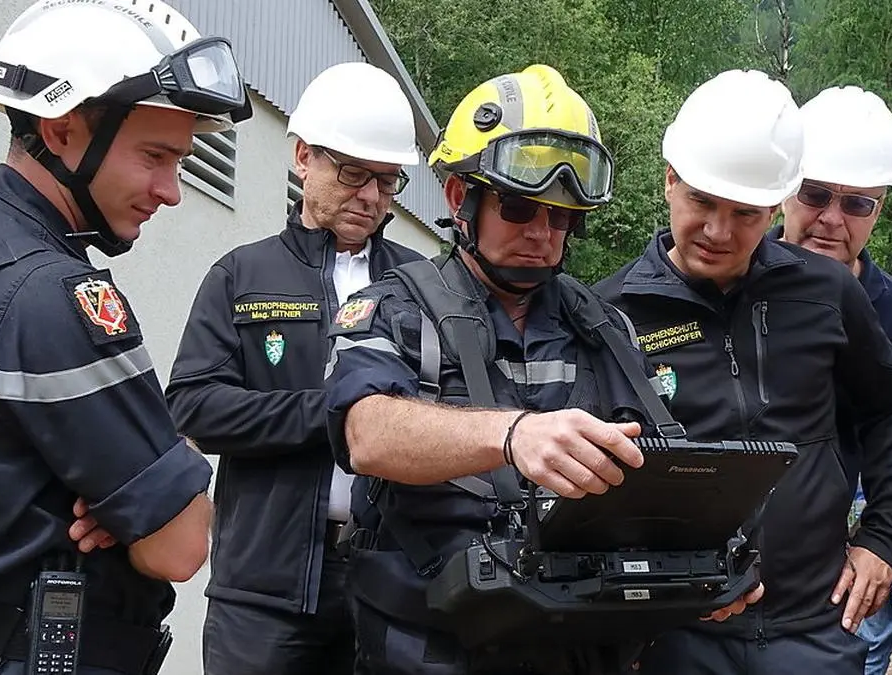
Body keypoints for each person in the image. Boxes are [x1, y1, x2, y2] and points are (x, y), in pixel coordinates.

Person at [322, 64, 762, 675]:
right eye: (520, 207)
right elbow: (365, 434)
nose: (542, 233)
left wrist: (705, 564)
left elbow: (651, 469)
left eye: (561, 217)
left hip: (577, 646)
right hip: (429, 646)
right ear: (459, 197)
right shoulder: (391, 308)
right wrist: (512, 435)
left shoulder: (606, 326)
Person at [0, 1, 252, 672]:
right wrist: (161, 474)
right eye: (154, 155)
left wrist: (142, 478)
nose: (170, 190)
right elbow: (178, 546)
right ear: (59, 130)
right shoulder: (54, 295)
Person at [596, 69, 892, 675]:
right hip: (679, 633)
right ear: (670, 180)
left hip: (815, 629)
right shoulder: (612, 314)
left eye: (745, 213)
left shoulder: (825, 293)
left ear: (775, 206)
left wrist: (882, 538)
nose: (719, 231)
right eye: (702, 202)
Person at [164, 61, 424, 675]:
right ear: (304, 157)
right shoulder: (241, 275)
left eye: (387, 182)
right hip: (263, 593)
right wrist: (339, 412)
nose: (370, 197)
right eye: (354, 173)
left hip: (391, 582)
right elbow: (194, 407)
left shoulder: (421, 286)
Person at [777, 85, 892, 675]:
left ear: (880, 209)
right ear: (785, 189)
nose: (830, 219)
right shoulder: (732, 285)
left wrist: (881, 538)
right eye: (815, 194)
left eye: (857, 204)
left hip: (850, 547)